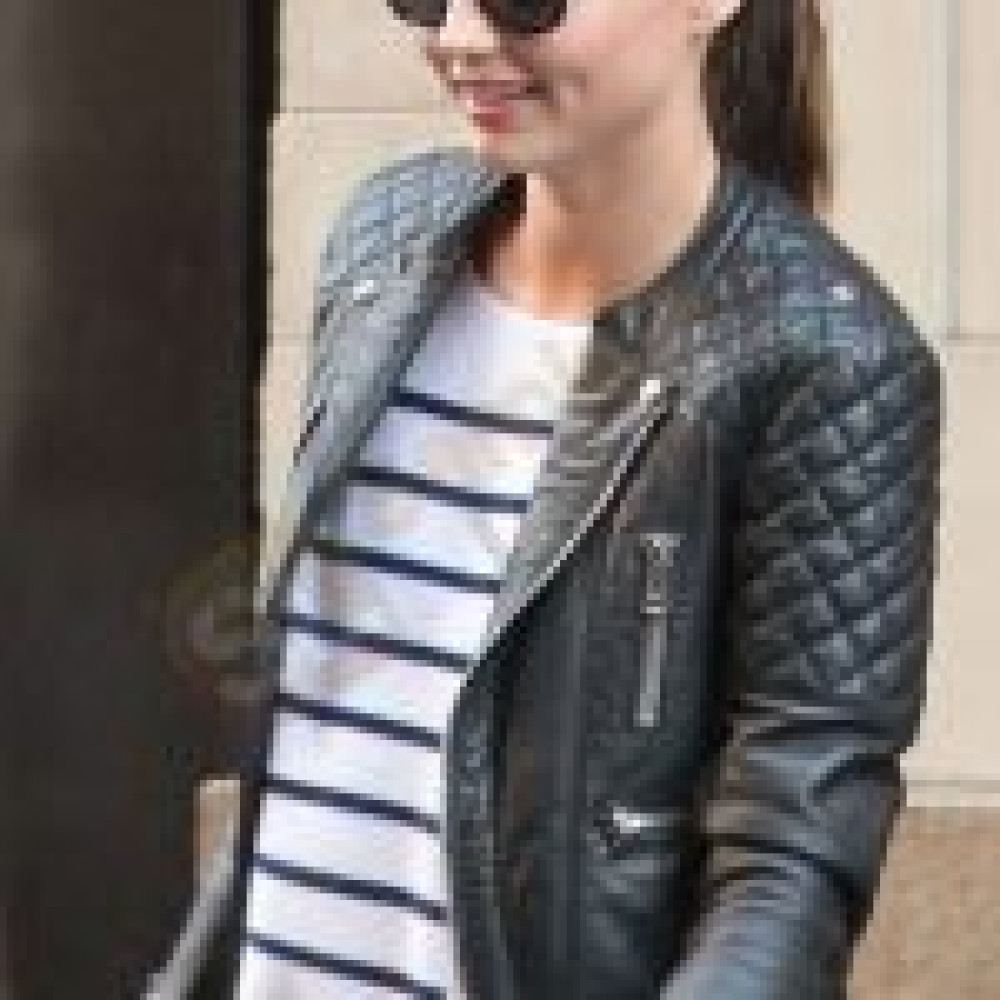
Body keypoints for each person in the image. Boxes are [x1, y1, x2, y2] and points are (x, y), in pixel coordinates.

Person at [147, 0, 943, 997]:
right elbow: (324, 723)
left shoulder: (828, 361)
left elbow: (790, 860)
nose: (460, 37)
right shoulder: (385, 243)